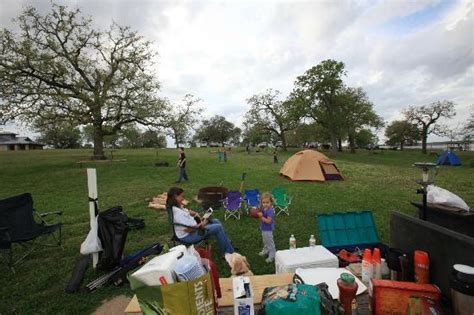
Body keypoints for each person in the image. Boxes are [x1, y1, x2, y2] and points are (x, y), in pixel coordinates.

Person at [167, 187, 235, 255]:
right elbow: (189, 230)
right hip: (189, 236)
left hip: (195, 227)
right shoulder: (178, 214)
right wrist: (202, 224)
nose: (183, 198)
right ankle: (228, 253)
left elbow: (186, 211)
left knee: (216, 221)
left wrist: (194, 213)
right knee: (218, 227)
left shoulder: (176, 206)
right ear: (176, 196)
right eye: (182, 196)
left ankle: (227, 243)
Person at [257, 192, 276, 263]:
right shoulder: (264, 209)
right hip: (264, 228)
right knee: (265, 241)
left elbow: (268, 221)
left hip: (268, 229)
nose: (265, 204)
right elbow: (261, 211)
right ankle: (266, 250)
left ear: (271, 202)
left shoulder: (270, 211)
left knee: (269, 242)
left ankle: (272, 254)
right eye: (263, 202)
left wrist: (261, 216)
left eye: (267, 202)